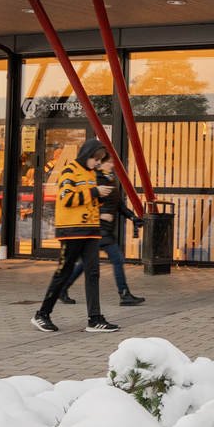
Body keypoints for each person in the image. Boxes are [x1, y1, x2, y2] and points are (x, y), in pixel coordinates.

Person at [31, 140, 117, 334]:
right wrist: (95, 192)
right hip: (71, 231)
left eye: (100, 160)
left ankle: (94, 319)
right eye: (95, 159)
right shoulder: (70, 171)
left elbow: (87, 200)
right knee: (64, 272)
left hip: (91, 230)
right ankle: (42, 314)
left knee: (93, 273)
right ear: (87, 154)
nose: (97, 163)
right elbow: (67, 199)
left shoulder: (92, 175)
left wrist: (100, 199)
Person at [59, 157, 145, 308]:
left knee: (85, 263)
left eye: (112, 163)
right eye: (109, 163)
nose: (112, 165)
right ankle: (124, 294)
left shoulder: (110, 180)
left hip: (106, 230)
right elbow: (86, 203)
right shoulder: (95, 180)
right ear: (101, 164)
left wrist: (133, 217)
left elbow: (119, 204)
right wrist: (100, 214)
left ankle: (62, 288)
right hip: (97, 228)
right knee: (116, 259)